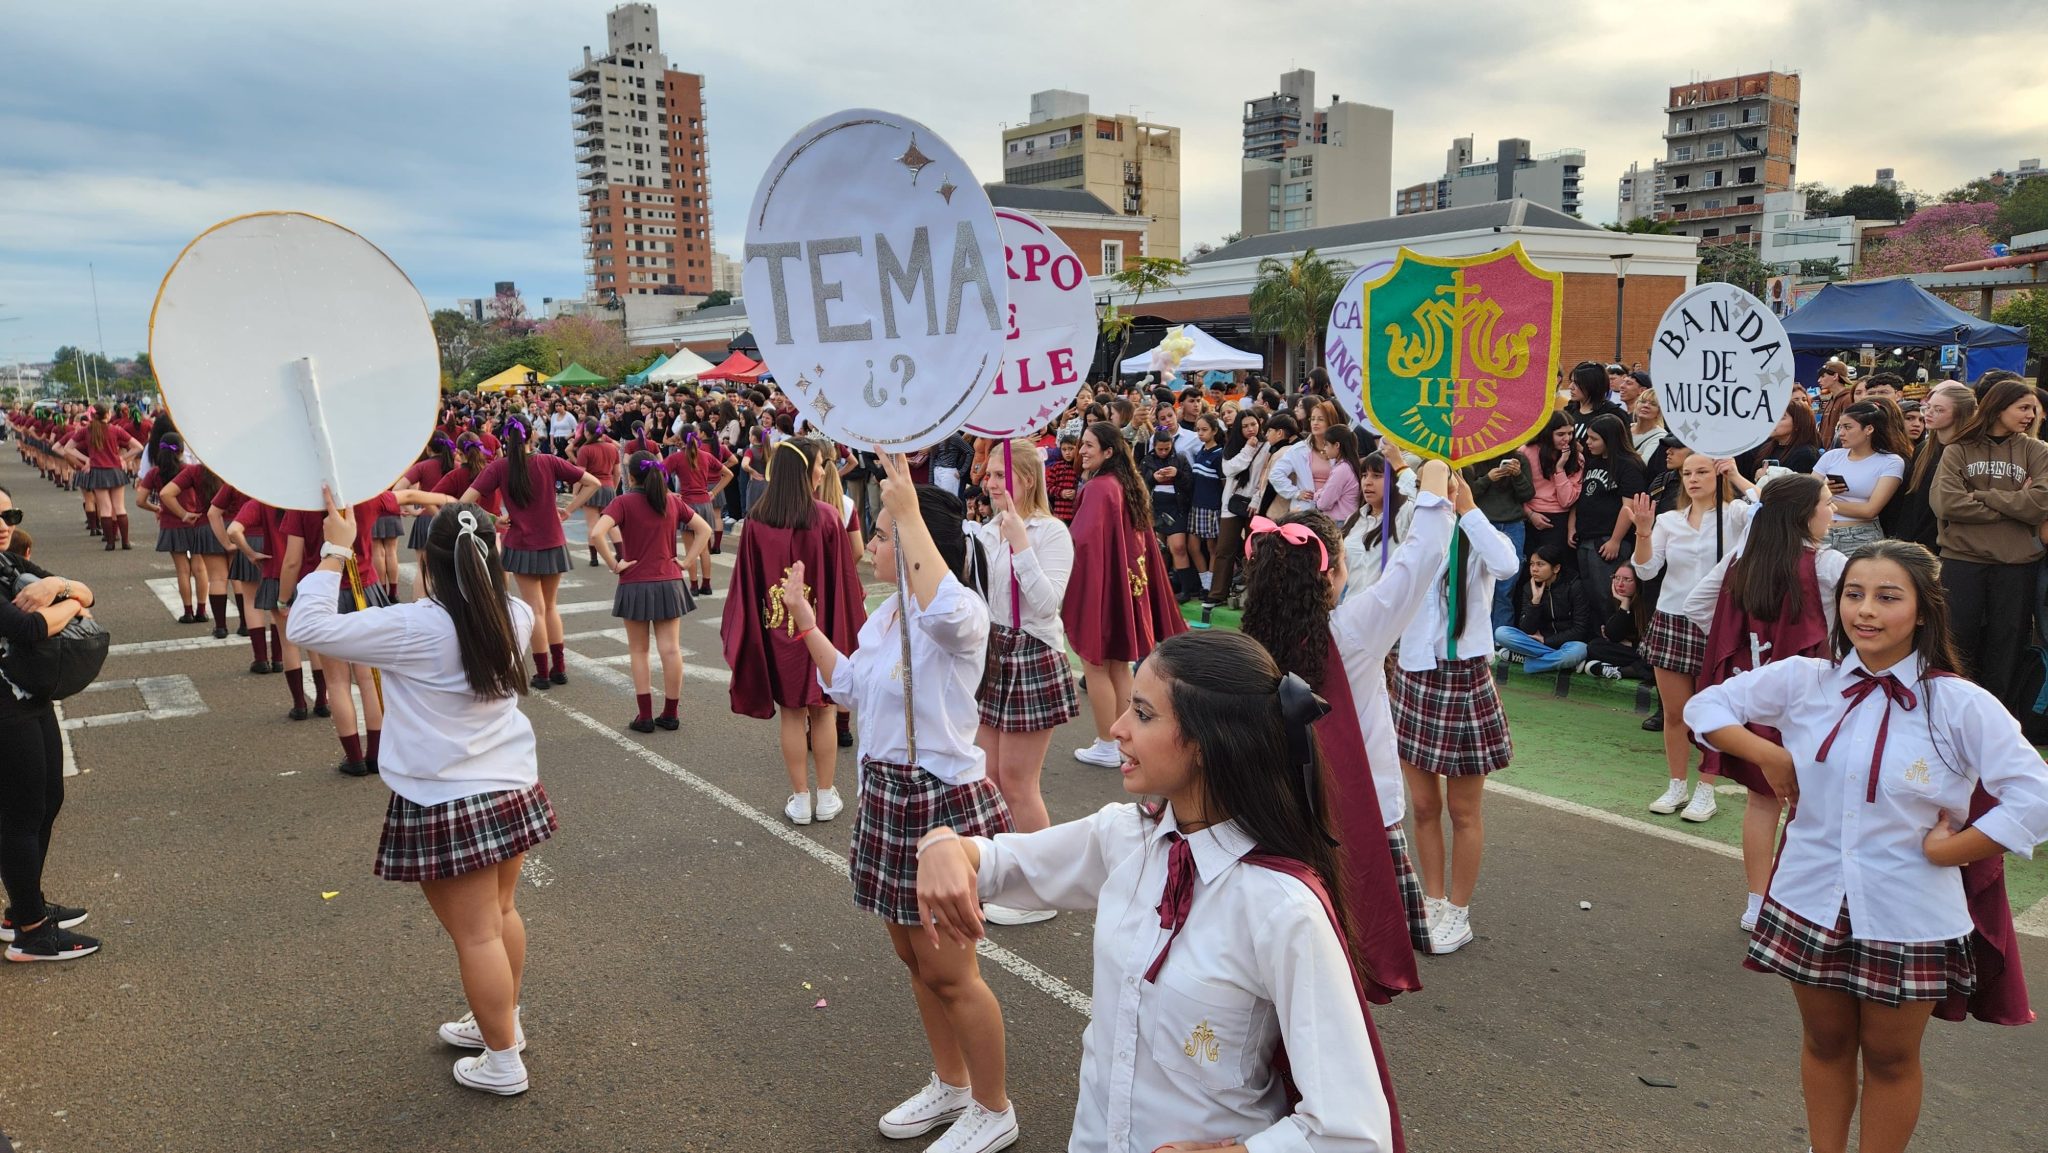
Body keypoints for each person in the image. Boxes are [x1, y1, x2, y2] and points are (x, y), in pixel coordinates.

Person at [913, 631, 1402, 1153]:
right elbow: (1000, 863)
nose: (1117, 729)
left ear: (1208, 742)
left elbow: (1353, 1129)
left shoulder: (1284, 910)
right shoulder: (1126, 837)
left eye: (1143, 715)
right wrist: (940, 844)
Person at [1686, 540, 2048, 1153]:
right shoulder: (1807, 679)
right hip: (1808, 898)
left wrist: (1952, 850)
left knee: (1890, 1059)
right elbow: (1707, 703)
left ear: (1924, 611)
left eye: (1887, 597)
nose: (1866, 612)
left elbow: (2034, 797)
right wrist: (1769, 753)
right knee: (1824, 1044)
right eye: (1854, 595)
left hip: (1910, 913)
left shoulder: (1958, 703)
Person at [779, 454, 1020, 1153]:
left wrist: (910, 509)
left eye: (882, 535)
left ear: (919, 545)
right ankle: (950, 1082)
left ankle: (993, 1104)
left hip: (939, 807)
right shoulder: (889, 616)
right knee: (916, 962)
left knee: (951, 970)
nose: (873, 545)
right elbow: (851, 685)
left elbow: (946, 610)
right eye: (881, 532)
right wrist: (804, 620)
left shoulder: (958, 613)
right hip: (887, 800)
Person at [286, 495, 556, 1096]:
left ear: (426, 563)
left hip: (445, 798)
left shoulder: (417, 624)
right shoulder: (513, 612)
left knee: (478, 932)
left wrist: (334, 549)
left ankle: (504, 1060)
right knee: (501, 916)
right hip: (510, 785)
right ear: (493, 554)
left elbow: (306, 627)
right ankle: (504, 1023)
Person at [1245, 463, 1461, 979]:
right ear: (1332, 573)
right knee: (1341, 967)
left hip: (1267, 811)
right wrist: (1432, 476)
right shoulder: (1353, 633)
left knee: (1273, 957)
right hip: (1356, 815)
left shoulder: (1246, 643)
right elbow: (1420, 558)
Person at [1687, 474, 1848, 931]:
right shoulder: (1829, 564)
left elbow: (1698, 606)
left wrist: (1744, 650)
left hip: (1753, 697)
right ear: (1804, 513)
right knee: (1814, 805)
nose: (1832, 511)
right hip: (1815, 699)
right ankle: (1804, 902)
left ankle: (1757, 902)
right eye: (1827, 504)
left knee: (1763, 801)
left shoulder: (1743, 557)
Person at [1393, 481, 1519, 954]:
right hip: (1414, 674)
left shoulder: (1474, 531)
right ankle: (1432, 898)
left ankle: (1459, 912)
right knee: (1423, 806)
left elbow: (1507, 565)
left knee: (1464, 810)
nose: (1437, 485)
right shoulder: (1414, 528)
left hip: (1463, 676)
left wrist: (1469, 509)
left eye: (1446, 477)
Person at [723, 438, 867, 824]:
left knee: (791, 714)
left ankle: (801, 798)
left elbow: (746, 585)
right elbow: (843, 581)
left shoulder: (755, 519)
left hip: (775, 632)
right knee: (822, 711)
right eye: (820, 465)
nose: (823, 472)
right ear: (803, 470)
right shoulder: (825, 517)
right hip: (819, 631)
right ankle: (825, 793)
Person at [969, 444, 1077, 928]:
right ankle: (1006, 875)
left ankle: (1040, 890)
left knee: (1017, 782)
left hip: (1031, 653)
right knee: (988, 779)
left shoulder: (1051, 533)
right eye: (988, 475)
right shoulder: (985, 531)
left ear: (1027, 479)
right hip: (993, 652)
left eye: (1000, 475)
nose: (990, 483)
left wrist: (1021, 544)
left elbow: (1047, 604)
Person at [0, 486, 100, 961]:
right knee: (20, 815)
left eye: (10, 515)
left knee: (48, 799)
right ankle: (32, 932)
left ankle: (23, 907)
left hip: (28, 696)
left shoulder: (7, 564)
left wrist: (56, 588)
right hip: (4, 707)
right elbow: (28, 628)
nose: (4, 526)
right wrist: (66, 600)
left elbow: (89, 592)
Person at [1628, 453, 1756, 822]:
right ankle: (1676, 784)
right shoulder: (1668, 520)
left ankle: (1706, 789)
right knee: (1674, 714)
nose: (1693, 478)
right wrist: (1642, 530)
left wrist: (1737, 474)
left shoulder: (1735, 515)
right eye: (1687, 473)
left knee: (1712, 712)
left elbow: (1767, 506)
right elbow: (1647, 570)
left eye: (1702, 471)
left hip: (1719, 622)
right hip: (1672, 618)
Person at [1063, 422, 1187, 768]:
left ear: (1108, 451)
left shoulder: (1100, 487)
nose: (1083, 450)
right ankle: (1125, 738)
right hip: (1126, 585)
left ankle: (1106, 742)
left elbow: (1083, 541)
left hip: (1103, 586)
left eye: (1090, 445)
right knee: (1118, 666)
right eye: (1082, 444)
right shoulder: (1124, 484)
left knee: (1097, 665)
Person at [1929, 378, 2048, 705]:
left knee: (2006, 647)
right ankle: (1950, 711)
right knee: (1957, 642)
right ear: (1998, 407)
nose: (2031, 415)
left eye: (2033, 409)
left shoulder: (2037, 450)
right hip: (1962, 561)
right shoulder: (1958, 449)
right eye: (2023, 407)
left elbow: (2040, 503)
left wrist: (1980, 495)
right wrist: (2014, 506)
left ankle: (1998, 721)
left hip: (2016, 565)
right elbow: (1947, 504)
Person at [461, 416, 601, 691]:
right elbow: (593, 482)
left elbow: (464, 502)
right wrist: (570, 509)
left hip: (521, 543)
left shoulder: (499, 467)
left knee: (534, 609)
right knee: (550, 607)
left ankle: (542, 673)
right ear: (532, 435)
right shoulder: (548, 461)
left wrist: (493, 519)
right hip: (552, 540)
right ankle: (559, 669)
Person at [591, 452, 712, 733]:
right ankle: (671, 713)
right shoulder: (672, 501)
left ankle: (644, 715)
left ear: (631, 476)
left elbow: (597, 533)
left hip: (634, 581)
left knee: (638, 650)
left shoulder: (622, 502)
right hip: (669, 580)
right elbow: (704, 529)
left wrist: (614, 564)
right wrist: (687, 561)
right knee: (671, 649)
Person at [1568, 413, 1647, 619]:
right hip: (1585, 537)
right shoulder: (1593, 462)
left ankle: (1613, 639)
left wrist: (1615, 540)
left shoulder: (1628, 464)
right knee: (1590, 595)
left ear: (1609, 439)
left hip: (1607, 540)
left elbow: (1628, 507)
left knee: (1607, 594)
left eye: (1594, 439)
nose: (1588, 442)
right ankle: (1595, 641)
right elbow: (1582, 497)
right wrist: (1572, 527)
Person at [1887, 383, 1974, 552]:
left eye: (1939, 410)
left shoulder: (1970, 452)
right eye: (1928, 407)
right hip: (1916, 542)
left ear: (1960, 414)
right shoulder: (1924, 449)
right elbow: (1911, 502)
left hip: (1953, 544)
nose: (1929, 413)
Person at [136, 437, 212, 627]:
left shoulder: (155, 472)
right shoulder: (189, 470)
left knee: (182, 570)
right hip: (195, 520)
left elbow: (140, 500)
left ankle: (187, 612)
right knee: (200, 568)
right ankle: (202, 611)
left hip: (171, 525)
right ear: (180, 451)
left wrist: (157, 509)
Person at [1815, 402, 1909, 551]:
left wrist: (1824, 499)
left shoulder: (1891, 462)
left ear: (1869, 429)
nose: (1841, 433)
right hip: (1821, 533)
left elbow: (1869, 511)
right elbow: (1805, 494)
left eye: (1848, 427)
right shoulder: (1831, 456)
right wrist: (1825, 491)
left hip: (1860, 535)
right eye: (1840, 427)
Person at [1493, 542, 1594, 674]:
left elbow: (1580, 629)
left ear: (1556, 568)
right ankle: (1562, 662)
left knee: (1579, 650)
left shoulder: (1574, 586)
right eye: (1532, 564)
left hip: (1567, 643)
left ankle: (1528, 661)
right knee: (1501, 633)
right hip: (1537, 643)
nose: (1534, 569)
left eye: (1540, 564)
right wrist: (1535, 602)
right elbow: (1526, 629)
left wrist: (1547, 640)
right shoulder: (1529, 588)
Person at [57, 405, 141, 550]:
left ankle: (110, 543)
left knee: (105, 508)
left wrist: (86, 459)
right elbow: (138, 446)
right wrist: (123, 458)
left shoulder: (86, 430)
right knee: (120, 507)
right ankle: (126, 542)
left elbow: (67, 448)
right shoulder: (115, 429)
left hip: (97, 472)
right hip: (115, 471)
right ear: (107, 414)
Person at [1204, 408, 1264, 612]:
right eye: (1245, 426)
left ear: (1260, 424)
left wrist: (1256, 498)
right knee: (1224, 549)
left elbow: (1265, 476)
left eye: (1253, 425)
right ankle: (1217, 594)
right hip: (1231, 503)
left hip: (1254, 504)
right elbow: (1229, 470)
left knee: (1254, 550)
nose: (1250, 429)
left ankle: (1253, 596)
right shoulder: (1231, 447)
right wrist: (1247, 449)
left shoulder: (1267, 446)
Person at [1465, 449, 1533, 630]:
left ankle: (1500, 638)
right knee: (1478, 583)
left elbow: (1527, 495)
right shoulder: (1472, 457)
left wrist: (1518, 475)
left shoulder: (1519, 459)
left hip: (1513, 524)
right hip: (1483, 524)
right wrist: (1488, 478)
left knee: (1506, 586)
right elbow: (1465, 494)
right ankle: (1478, 635)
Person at [663, 427, 733, 597]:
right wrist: (714, 492)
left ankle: (694, 585)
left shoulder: (676, 458)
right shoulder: (706, 456)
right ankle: (707, 584)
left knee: (690, 549)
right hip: (705, 504)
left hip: (686, 504)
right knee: (704, 548)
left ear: (681, 439)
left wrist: (670, 493)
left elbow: (657, 473)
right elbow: (728, 474)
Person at [1139, 430, 1198, 603]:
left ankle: (1185, 591)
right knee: (1159, 550)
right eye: (1160, 449)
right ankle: (1160, 589)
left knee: (1178, 546)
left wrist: (1177, 474)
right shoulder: (1147, 460)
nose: (1164, 452)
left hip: (1176, 507)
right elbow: (1140, 485)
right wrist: (1153, 478)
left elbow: (1189, 484)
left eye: (1167, 448)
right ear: (1154, 447)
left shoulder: (1180, 459)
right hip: (1155, 509)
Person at [1520, 412, 1583, 562]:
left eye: (1570, 433)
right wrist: (1529, 515)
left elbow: (1566, 501)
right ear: (1548, 433)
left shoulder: (1576, 457)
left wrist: (1560, 468)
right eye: (1560, 434)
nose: (1567, 438)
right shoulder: (1526, 452)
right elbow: (1514, 490)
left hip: (1560, 519)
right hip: (1529, 516)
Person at [1583, 565, 1650, 680]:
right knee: (1595, 646)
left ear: (1638, 582)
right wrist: (1625, 604)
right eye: (1616, 578)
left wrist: (1632, 644)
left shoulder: (1648, 602)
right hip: (1629, 651)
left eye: (1627, 580)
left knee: (1655, 661)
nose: (1620, 584)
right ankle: (1633, 668)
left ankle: (1619, 671)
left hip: (1648, 651)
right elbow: (1612, 635)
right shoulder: (1615, 599)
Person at [572, 420, 623, 569]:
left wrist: (575, 493)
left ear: (587, 432)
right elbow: (617, 472)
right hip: (608, 487)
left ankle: (594, 558)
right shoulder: (612, 448)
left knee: (592, 525)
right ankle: (621, 553)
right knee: (612, 524)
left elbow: (580, 474)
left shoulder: (585, 449)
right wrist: (613, 487)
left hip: (591, 488)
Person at [1186, 413, 1225, 596]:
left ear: (1214, 431)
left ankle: (1210, 586)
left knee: (1212, 548)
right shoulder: (1201, 451)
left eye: (1204, 430)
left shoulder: (1219, 454)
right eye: (1198, 430)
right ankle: (1205, 582)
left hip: (1211, 507)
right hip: (1196, 505)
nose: (1200, 433)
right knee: (1193, 546)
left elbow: (1224, 484)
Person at [1629, 388, 1669, 462]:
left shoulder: (1660, 436)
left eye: (1653, 404)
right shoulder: (1625, 428)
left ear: (1659, 411)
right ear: (1636, 404)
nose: (1646, 406)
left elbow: (1643, 463)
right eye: (1643, 401)